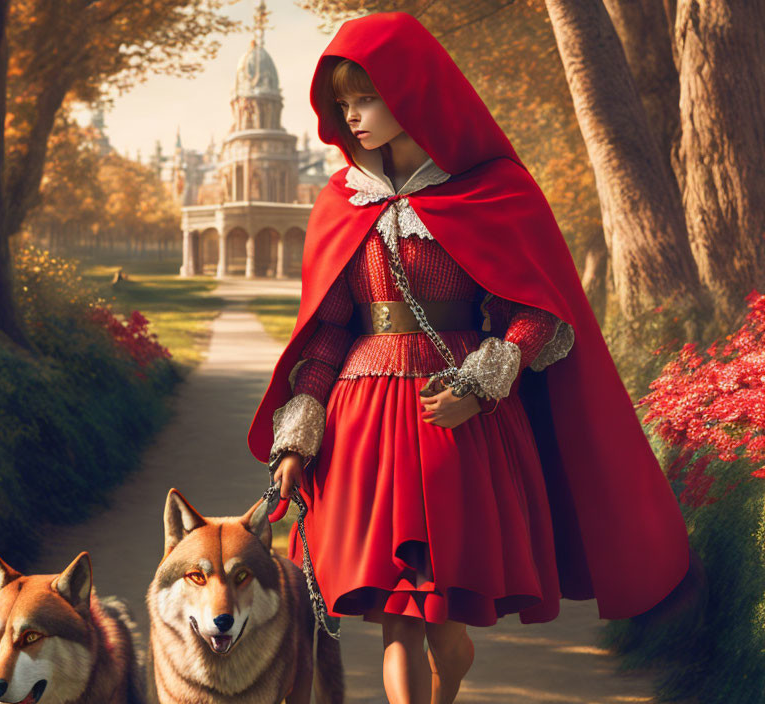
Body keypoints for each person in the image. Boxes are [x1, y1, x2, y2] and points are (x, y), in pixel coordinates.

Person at [247, 12, 690, 704]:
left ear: (412, 92)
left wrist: (482, 385)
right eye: (343, 104)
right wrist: (297, 436)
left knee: (445, 627)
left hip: (457, 422)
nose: (352, 117)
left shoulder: (491, 190)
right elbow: (328, 332)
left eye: (365, 97)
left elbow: (538, 314)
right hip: (363, 428)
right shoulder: (340, 202)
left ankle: (448, 684)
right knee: (397, 621)